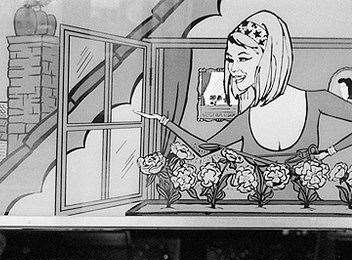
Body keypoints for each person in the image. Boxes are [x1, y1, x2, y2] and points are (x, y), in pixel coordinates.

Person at [138, 11, 352, 160]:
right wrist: (164, 120)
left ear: (270, 59)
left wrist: (331, 150)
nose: (233, 69)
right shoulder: (244, 120)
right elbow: (203, 149)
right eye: (230, 60)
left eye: (243, 58)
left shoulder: (317, 100)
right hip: (256, 217)